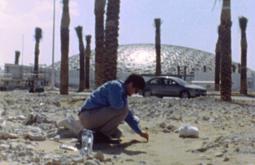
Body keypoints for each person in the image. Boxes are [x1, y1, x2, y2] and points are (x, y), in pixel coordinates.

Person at [78, 73, 149, 142]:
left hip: (93, 117)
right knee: (122, 109)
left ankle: (94, 135)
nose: (134, 93)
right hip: (88, 116)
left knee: (118, 134)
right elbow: (119, 107)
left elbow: (128, 116)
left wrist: (140, 132)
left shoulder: (122, 91)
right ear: (131, 84)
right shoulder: (116, 87)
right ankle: (101, 135)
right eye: (136, 90)